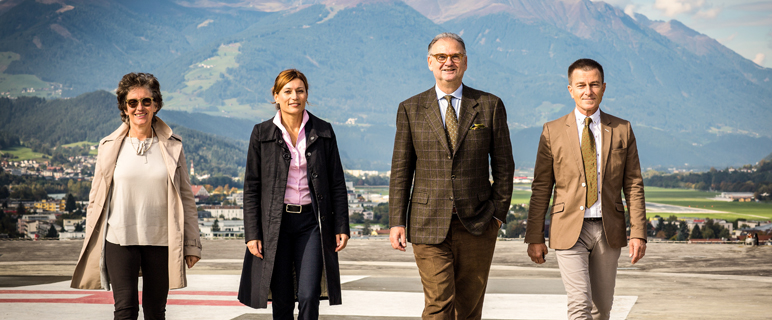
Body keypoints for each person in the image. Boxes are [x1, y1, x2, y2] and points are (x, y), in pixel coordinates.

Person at [389, 32, 515, 319]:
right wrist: (397, 220)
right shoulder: (410, 108)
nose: (449, 62)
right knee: (439, 303)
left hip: (478, 222)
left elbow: (504, 166)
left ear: (465, 62)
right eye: (441, 57)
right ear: (430, 62)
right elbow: (401, 170)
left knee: (469, 309)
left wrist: (497, 215)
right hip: (427, 222)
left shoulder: (489, 105)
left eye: (455, 56)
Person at [70, 72, 202, 320]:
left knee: (155, 312)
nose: (139, 107)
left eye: (146, 101)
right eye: (132, 102)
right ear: (124, 107)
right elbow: (95, 199)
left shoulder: (173, 146)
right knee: (125, 310)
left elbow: (186, 198)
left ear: (156, 105)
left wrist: (192, 245)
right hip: (119, 238)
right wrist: (91, 241)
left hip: (162, 240)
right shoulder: (109, 146)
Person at [525, 58, 647, 320]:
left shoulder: (622, 129)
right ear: (571, 90)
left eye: (594, 85)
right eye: (581, 85)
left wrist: (638, 232)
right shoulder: (552, 131)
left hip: (608, 229)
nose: (588, 91)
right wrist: (534, 236)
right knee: (580, 304)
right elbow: (541, 187)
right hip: (568, 228)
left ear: (604, 88)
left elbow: (633, 184)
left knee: (601, 309)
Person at [238, 69, 350, 320]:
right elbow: (251, 187)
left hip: (311, 223)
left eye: (300, 91)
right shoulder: (261, 133)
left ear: (307, 95)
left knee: (309, 295)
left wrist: (341, 225)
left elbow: (337, 183)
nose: (294, 97)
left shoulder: (323, 131)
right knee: (282, 299)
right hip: (275, 226)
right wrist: (252, 234)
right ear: (276, 96)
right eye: (287, 91)